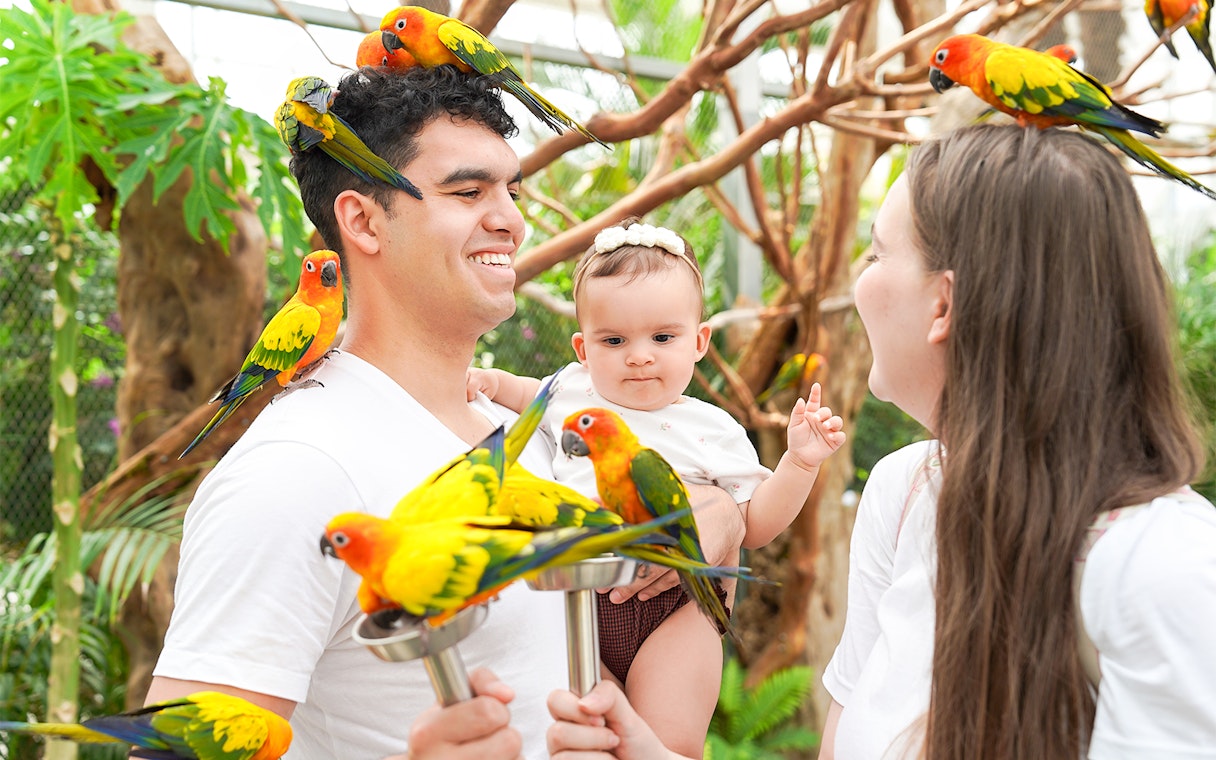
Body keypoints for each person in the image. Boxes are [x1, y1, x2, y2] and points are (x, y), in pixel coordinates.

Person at [145, 66, 746, 760]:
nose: (512, 220)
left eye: (511, 191)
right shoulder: (297, 471)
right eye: (468, 191)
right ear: (363, 221)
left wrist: (722, 512)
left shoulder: (539, 433)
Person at [816, 124, 1216, 759]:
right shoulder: (905, 490)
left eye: (876, 254)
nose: (860, 283)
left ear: (943, 304)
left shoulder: (1164, 567)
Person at [468, 218, 846, 756]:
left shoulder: (711, 430)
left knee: (665, 744)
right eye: (614, 340)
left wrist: (799, 464)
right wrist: (490, 383)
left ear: (699, 341)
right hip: (577, 606)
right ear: (582, 348)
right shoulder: (572, 392)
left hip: (676, 612)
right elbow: (529, 391)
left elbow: (755, 524)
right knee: (590, 741)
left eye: (662, 338)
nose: (639, 355)